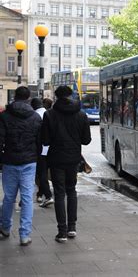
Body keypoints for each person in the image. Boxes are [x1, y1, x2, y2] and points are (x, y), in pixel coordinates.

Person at [42, 86, 91, 243]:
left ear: (56, 97)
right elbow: (86, 140)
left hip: (56, 159)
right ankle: (72, 228)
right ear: (71, 96)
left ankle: (61, 232)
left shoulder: (49, 115)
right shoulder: (81, 114)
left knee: (59, 193)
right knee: (72, 191)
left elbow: (45, 140)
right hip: (73, 159)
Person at [0, 86, 42, 246]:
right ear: (28, 98)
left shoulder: (4, 116)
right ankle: (24, 234)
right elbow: (40, 142)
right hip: (29, 162)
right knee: (26, 198)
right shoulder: (35, 117)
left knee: (9, 197)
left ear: (14, 97)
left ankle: (5, 227)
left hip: (10, 161)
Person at [31, 97, 54, 207]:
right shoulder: (49, 113)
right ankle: (40, 194)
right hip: (52, 149)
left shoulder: (33, 116)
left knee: (41, 174)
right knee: (43, 173)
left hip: (40, 149)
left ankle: (48, 196)